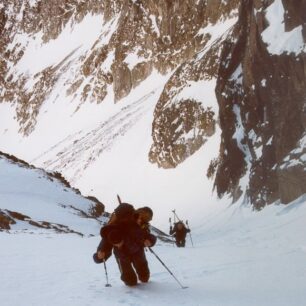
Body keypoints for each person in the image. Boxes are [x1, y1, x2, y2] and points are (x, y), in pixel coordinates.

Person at [93, 203, 156, 287]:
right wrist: (99, 256)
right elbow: (104, 246)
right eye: (116, 244)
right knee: (130, 281)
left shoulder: (135, 225)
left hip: (137, 251)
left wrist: (149, 240)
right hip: (121, 255)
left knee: (144, 274)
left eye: (119, 242)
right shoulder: (111, 231)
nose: (119, 244)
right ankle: (131, 280)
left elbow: (147, 235)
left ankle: (143, 276)